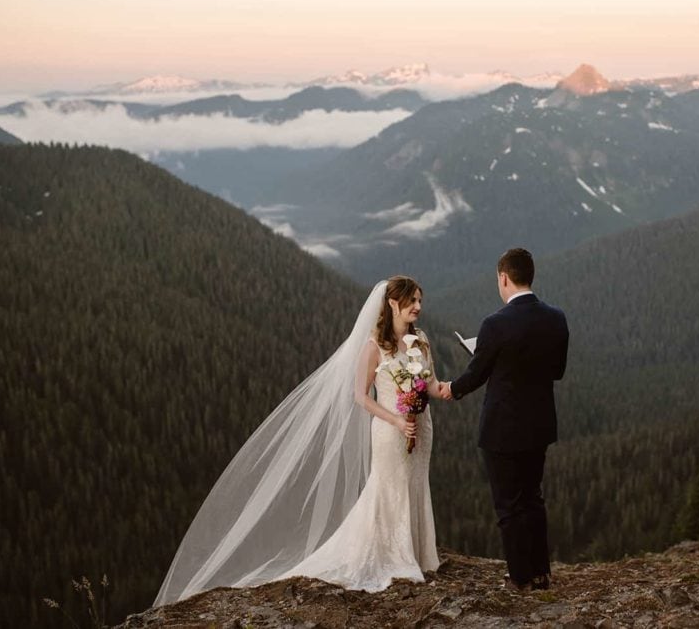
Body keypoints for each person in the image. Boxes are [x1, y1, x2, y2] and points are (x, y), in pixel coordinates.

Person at [154, 276, 446, 605]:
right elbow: (361, 397)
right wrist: (395, 419)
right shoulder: (373, 346)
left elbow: (431, 384)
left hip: (421, 427)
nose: (419, 308)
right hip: (390, 429)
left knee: (416, 483)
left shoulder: (421, 340)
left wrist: (449, 389)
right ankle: (393, 553)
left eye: (421, 301)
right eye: (412, 302)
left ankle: (421, 553)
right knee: (389, 487)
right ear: (393, 304)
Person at [440, 248, 569, 592]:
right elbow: (557, 371)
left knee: (509, 504)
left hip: (503, 428)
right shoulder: (557, 319)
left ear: (503, 278)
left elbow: (476, 373)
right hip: (540, 424)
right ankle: (541, 573)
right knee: (532, 498)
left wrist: (451, 389)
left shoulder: (495, 325)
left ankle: (519, 577)